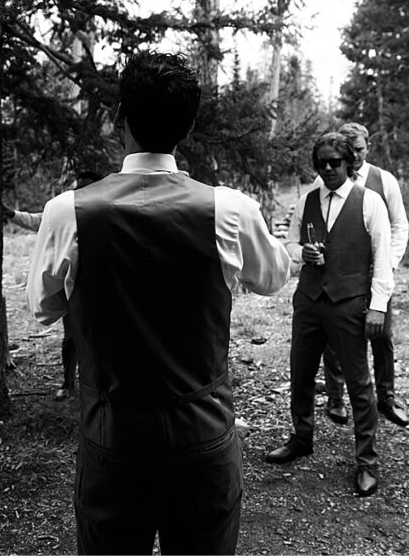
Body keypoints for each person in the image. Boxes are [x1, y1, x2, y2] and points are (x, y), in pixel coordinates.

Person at [27, 51, 292, 555]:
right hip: (203, 435)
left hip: (113, 438)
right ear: (188, 127)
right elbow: (274, 277)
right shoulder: (229, 209)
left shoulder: (68, 212)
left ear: (119, 118)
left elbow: (41, 308)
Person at [265, 132, 393, 497]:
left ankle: (367, 461)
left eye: (334, 163)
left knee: (358, 383)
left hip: (350, 302)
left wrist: (378, 306)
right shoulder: (307, 199)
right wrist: (299, 251)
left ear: (349, 163)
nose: (327, 169)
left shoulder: (369, 202)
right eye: (320, 163)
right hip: (309, 299)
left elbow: (383, 259)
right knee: (301, 373)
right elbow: (288, 241)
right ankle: (301, 438)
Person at [319, 122, 409, 428]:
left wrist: (390, 262)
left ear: (367, 147)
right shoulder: (328, 180)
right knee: (333, 339)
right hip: (340, 276)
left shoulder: (384, 181)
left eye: (359, 149)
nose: (354, 156)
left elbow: (400, 225)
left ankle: (386, 396)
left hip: (377, 273)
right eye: (349, 150)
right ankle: (335, 396)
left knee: (382, 335)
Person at [4, 170, 103, 400]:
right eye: (79, 188)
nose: (81, 193)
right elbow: (40, 221)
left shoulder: (110, 212)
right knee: (71, 337)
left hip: (105, 288)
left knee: (101, 338)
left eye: (87, 188)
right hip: (75, 287)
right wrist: (12, 214)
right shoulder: (67, 213)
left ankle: (99, 385)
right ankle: (68, 384)